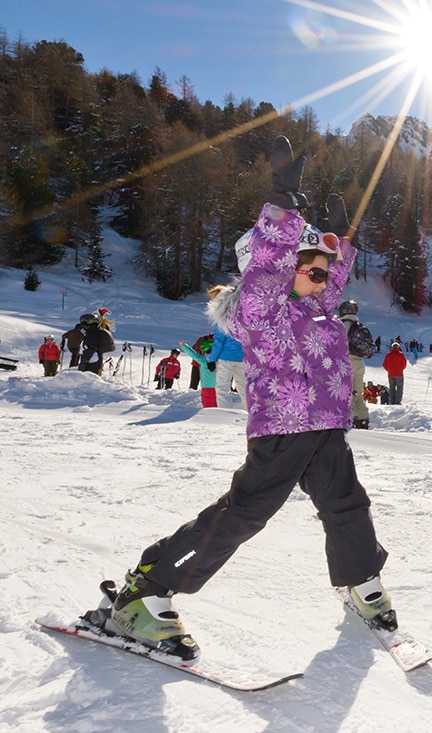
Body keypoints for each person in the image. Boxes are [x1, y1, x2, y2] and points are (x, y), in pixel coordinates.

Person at [98, 137, 395, 660]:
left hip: (325, 426)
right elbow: (270, 264)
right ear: (281, 268)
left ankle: (361, 580)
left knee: (346, 503)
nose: (326, 279)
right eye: (314, 268)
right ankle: (146, 590)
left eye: (327, 271)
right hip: (282, 430)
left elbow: (332, 271)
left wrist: (339, 241)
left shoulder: (318, 306)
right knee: (244, 514)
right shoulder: (261, 308)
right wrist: (283, 206)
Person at [338, 300, 371, 429]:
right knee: (357, 393)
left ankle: (350, 420)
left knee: (347, 393)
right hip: (359, 363)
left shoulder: (342, 325)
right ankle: (363, 418)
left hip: (347, 362)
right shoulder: (359, 325)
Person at [178, 341, 216, 406]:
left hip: (207, 388)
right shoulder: (220, 361)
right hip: (219, 387)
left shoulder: (203, 360)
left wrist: (184, 346)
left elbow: (193, 354)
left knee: (208, 408)